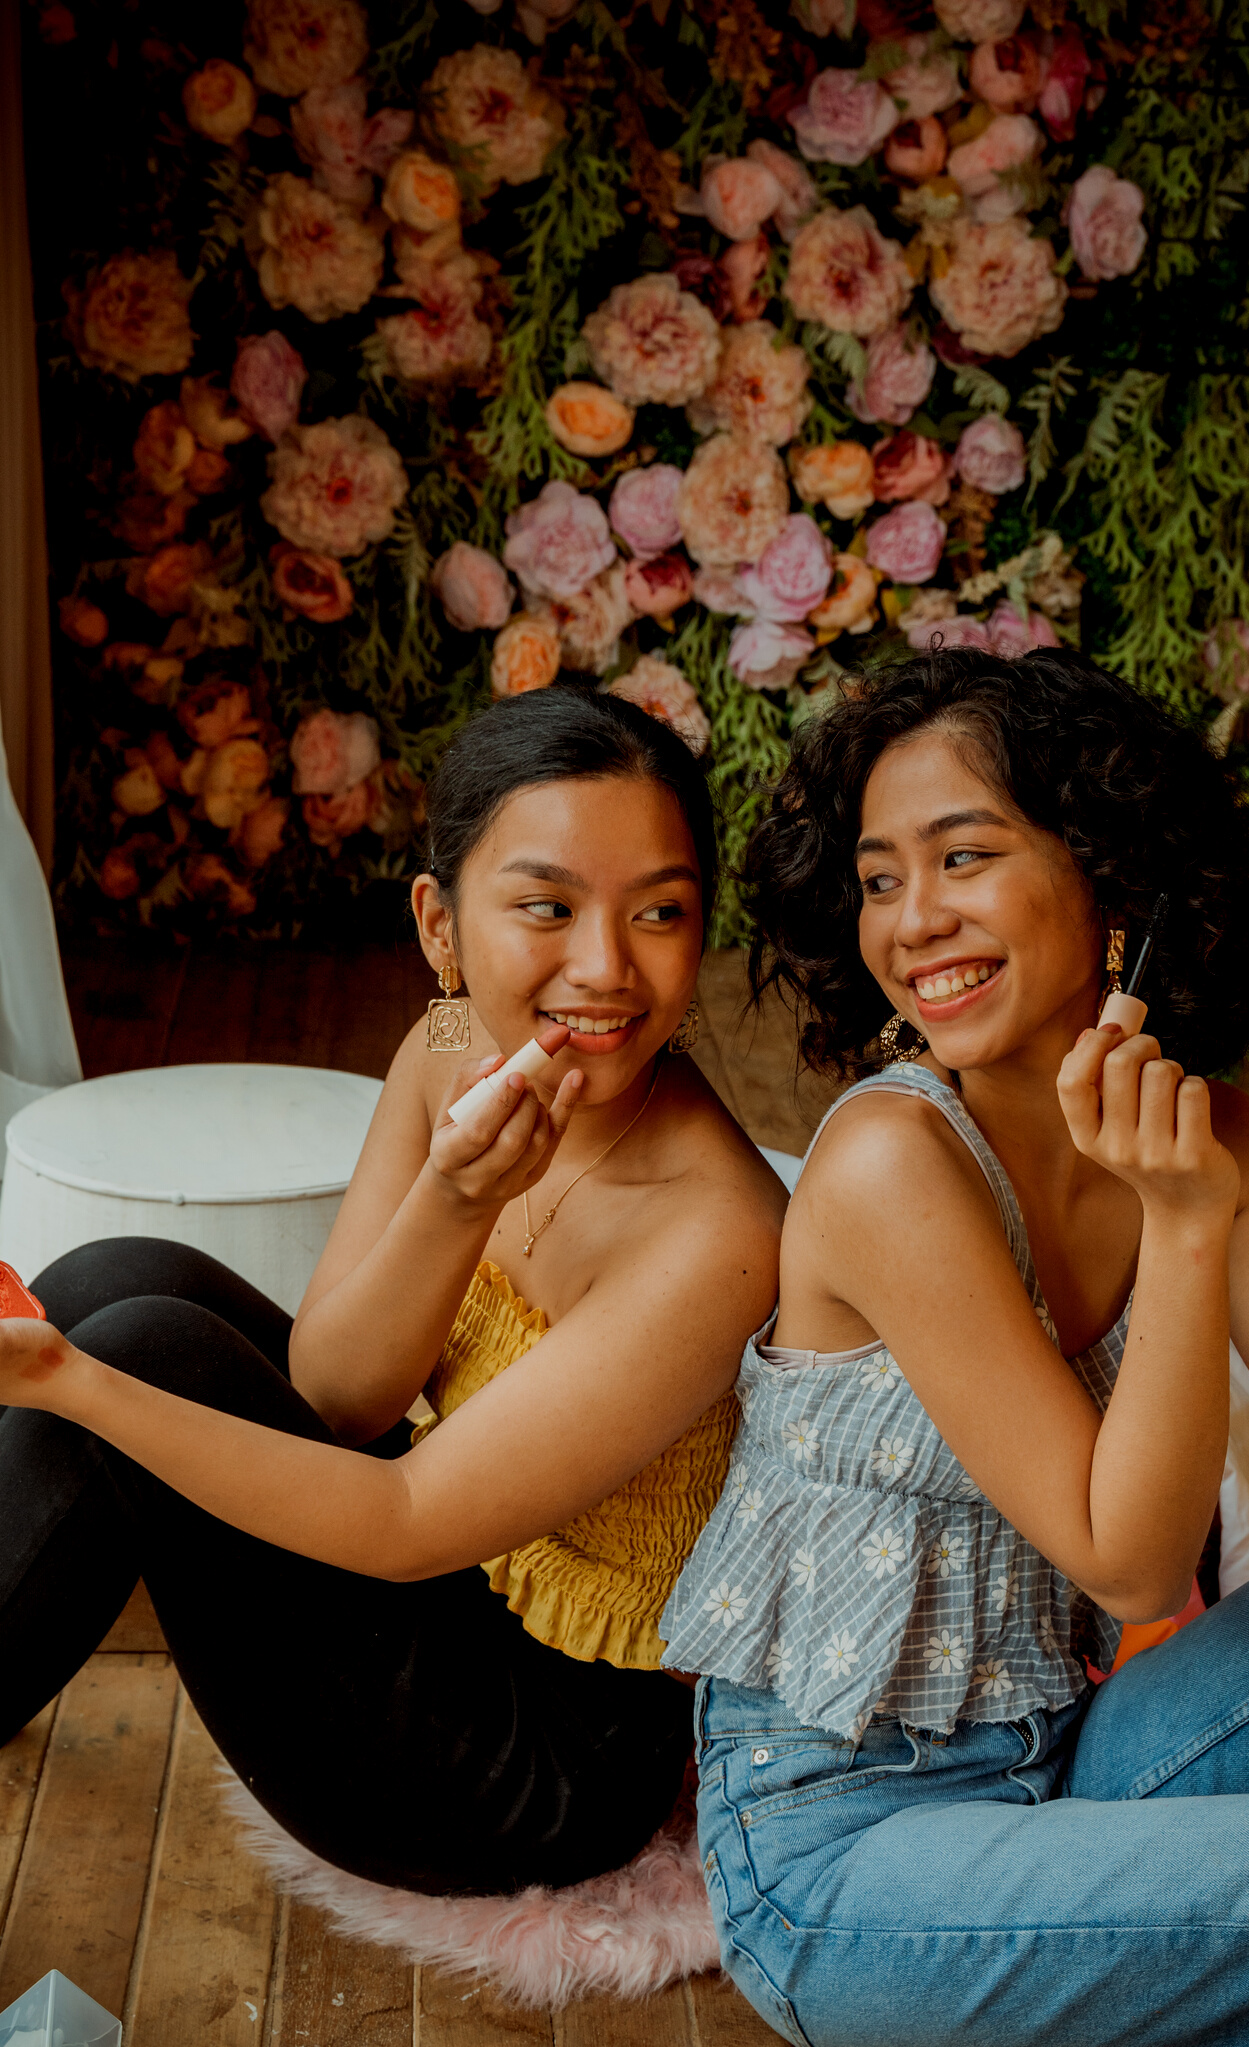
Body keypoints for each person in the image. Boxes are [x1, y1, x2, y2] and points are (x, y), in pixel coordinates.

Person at [658, 647, 1249, 2045]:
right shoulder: (892, 1161)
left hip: (1068, 1763)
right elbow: (1133, 1559)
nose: (911, 920)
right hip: (844, 1860)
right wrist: (1182, 1226)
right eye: (880, 876)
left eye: (962, 856)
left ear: (1114, 882)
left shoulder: (1212, 1130)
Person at [0, 685, 784, 1897]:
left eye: (660, 912)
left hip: (546, 1756)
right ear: (440, 924)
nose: (605, 966)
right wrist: (455, 1200)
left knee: (132, 1350)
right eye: (546, 906)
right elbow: (341, 1395)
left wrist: (76, 1386)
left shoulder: (720, 1231)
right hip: (446, 1591)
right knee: (116, 1277)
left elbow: (408, 1520)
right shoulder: (445, 1047)